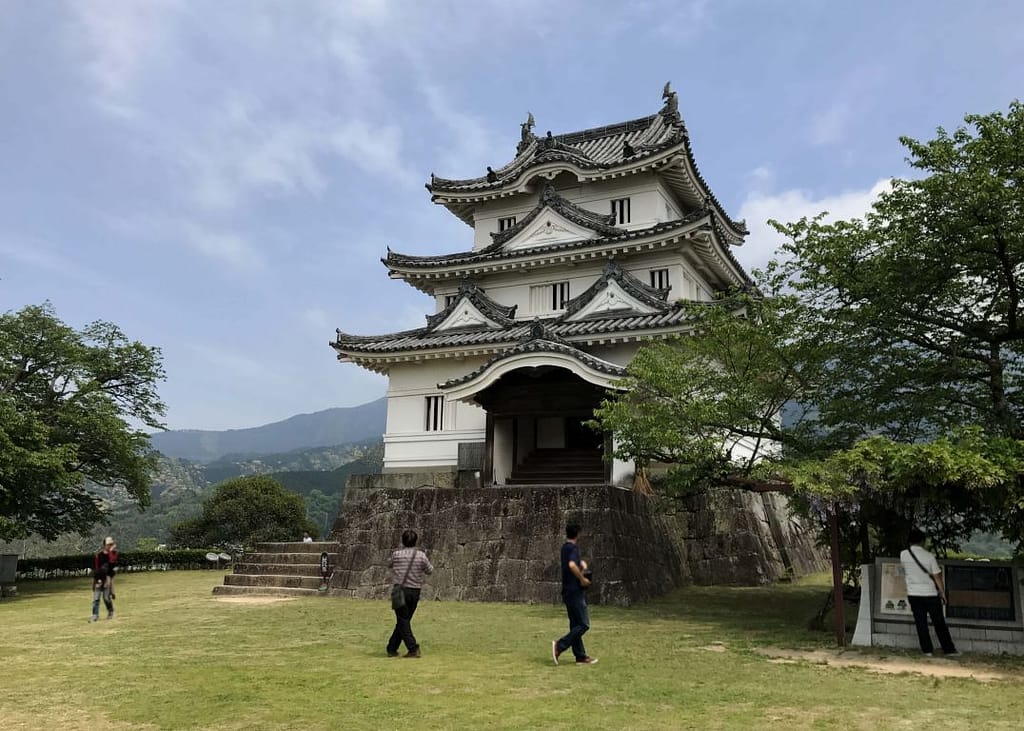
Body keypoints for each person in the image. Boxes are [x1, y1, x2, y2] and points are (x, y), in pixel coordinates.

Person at [899, 528, 959, 657]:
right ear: (922, 541)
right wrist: (942, 593)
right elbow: (937, 576)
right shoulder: (929, 556)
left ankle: (927, 650)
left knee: (921, 623)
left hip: (913, 594)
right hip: (930, 594)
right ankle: (948, 649)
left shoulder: (903, 555)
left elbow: (904, 570)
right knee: (939, 622)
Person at [552, 523, 597, 665]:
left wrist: (581, 563)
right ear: (577, 534)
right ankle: (559, 646)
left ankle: (580, 656)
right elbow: (572, 565)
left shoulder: (565, 548)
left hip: (567, 591)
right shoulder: (573, 548)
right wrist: (582, 579)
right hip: (575, 591)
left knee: (575, 625)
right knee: (584, 624)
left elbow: (572, 563)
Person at [386, 529, 433, 658]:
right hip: (414, 591)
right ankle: (391, 648)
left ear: (403, 541)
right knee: (404, 621)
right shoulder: (421, 556)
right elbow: (430, 570)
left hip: (399, 590)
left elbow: (389, 564)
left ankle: (413, 648)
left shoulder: (397, 554)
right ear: (415, 541)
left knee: (403, 620)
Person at [90, 537, 117, 622]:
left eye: (111, 544)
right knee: (96, 598)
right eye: (108, 544)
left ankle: (110, 611)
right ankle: (95, 615)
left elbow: (112, 563)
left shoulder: (114, 554)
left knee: (106, 598)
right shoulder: (99, 555)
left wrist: (111, 552)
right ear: (104, 545)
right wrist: (94, 582)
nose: (110, 546)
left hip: (108, 579)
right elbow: (96, 568)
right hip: (99, 578)